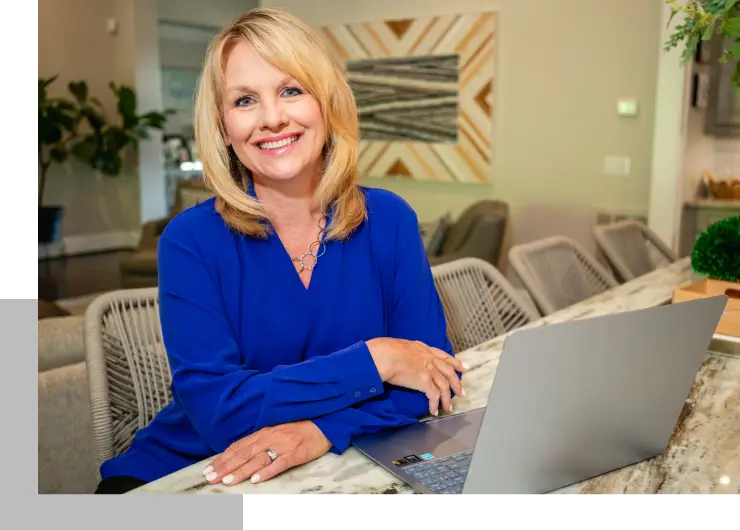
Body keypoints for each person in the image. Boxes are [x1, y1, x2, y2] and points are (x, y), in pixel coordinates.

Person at [94, 7, 466, 494]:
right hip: (188, 475)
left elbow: (435, 381)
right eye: (245, 100)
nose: (272, 119)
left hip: (331, 468)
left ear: (327, 106)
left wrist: (320, 430)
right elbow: (221, 413)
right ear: (225, 126)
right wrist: (378, 360)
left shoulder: (389, 220)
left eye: (291, 90)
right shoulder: (189, 242)